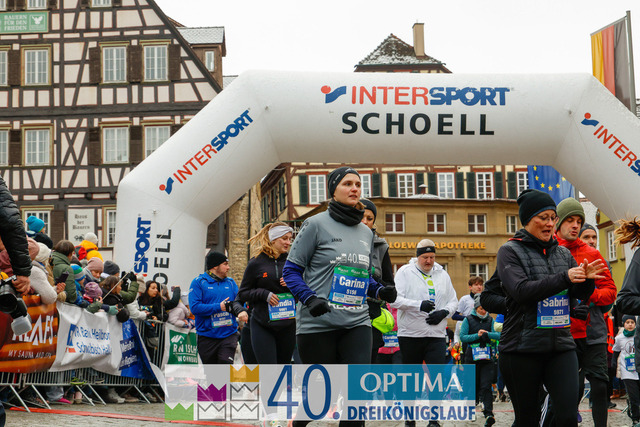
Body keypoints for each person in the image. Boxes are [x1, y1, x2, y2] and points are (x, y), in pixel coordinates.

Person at [283, 166, 396, 427]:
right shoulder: (315, 224)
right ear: (333, 189)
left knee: (358, 397)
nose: (354, 188)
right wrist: (310, 299)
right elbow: (291, 271)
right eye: (347, 183)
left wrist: (379, 290)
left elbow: (361, 276)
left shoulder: (366, 233)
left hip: (357, 323)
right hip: (318, 324)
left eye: (357, 184)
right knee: (322, 399)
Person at [496, 189, 604, 426]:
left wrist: (587, 280)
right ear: (527, 220)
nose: (549, 223)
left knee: (567, 416)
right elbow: (521, 291)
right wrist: (565, 278)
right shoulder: (509, 251)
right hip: (521, 349)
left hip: (561, 346)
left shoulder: (563, 253)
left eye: (553, 218)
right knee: (528, 419)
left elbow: (577, 294)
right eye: (543, 217)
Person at [553, 197, 617, 425]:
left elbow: (611, 292)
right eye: (570, 220)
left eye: (579, 221)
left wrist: (589, 296)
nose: (575, 225)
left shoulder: (592, 253)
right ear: (558, 222)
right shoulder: (548, 250)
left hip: (593, 332)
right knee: (572, 389)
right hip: (563, 332)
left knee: (599, 386)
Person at [389, 238, 458, 427]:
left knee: (436, 378)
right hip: (410, 335)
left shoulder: (442, 274)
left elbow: (453, 301)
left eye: (432, 257)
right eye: (425, 257)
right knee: (411, 379)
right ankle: (410, 420)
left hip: (436, 335)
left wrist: (444, 312)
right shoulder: (404, 272)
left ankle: (433, 420)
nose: (429, 261)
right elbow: (395, 300)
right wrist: (418, 305)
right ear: (418, 256)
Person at [237, 222, 295, 364]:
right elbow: (243, 293)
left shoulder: (292, 262)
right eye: (284, 238)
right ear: (273, 239)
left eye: (290, 239)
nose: (288, 242)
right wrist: (264, 294)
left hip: (287, 324)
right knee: (269, 370)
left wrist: (293, 284)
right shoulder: (256, 263)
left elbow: (303, 293)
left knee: (283, 369)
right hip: (262, 324)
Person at [189, 251, 248, 364]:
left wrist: (242, 311)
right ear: (215, 266)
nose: (228, 267)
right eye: (225, 264)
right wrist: (219, 307)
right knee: (212, 372)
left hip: (229, 335)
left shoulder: (231, 283)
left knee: (224, 364)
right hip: (206, 336)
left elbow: (240, 303)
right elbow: (195, 308)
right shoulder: (199, 282)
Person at [360, 198, 395, 362]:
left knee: (368, 366)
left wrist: (377, 285)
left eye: (369, 218)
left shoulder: (381, 246)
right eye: (361, 216)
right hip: (344, 313)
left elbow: (390, 285)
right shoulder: (339, 240)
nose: (364, 222)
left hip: (372, 315)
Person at [460, 294, 500, 427]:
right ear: (476, 308)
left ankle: (489, 413)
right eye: (481, 309)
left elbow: (498, 335)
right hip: (471, 357)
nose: (483, 311)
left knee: (486, 385)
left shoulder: (490, 320)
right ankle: (470, 409)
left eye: (485, 309)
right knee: (472, 385)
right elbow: (463, 337)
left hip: (487, 358)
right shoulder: (468, 319)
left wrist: (488, 334)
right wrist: (477, 336)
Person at [612, 315, 640, 427]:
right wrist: (614, 363)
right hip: (627, 372)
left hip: (638, 370)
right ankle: (635, 419)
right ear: (623, 324)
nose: (630, 324)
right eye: (627, 322)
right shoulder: (619, 338)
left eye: (632, 322)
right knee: (634, 397)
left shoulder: (638, 336)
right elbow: (615, 351)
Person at [452, 276, 484, 343]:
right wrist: (469, 319)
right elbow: (454, 316)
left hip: (481, 330)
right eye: (476, 285)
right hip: (468, 331)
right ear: (470, 287)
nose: (479, 287)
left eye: (481, 285)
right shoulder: (465, 299)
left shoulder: (485, 299)